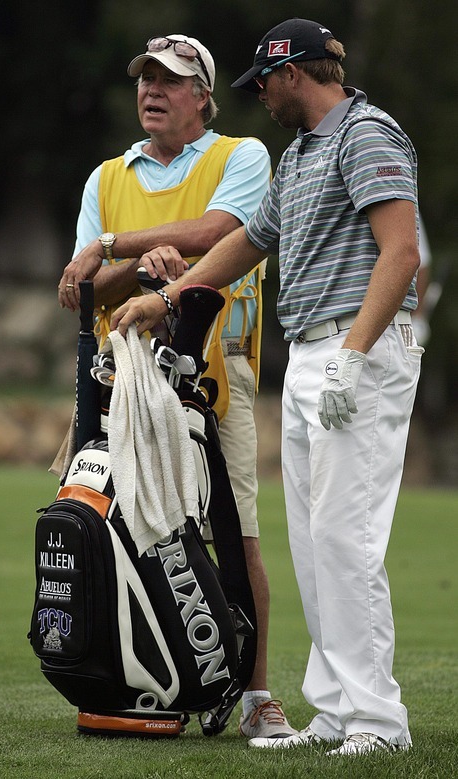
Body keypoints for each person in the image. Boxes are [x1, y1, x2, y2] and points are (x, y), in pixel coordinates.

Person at [110, 18, 424, 757]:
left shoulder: (367, 134)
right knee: (315, 542)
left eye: (264, 84)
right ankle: (341, 710)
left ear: (293, 73)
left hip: (360, 349)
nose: (261, 99)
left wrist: (353, 353)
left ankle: (381, 720)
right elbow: (249, 241)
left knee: (348, 538)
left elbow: (402, 252)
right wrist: (169, 295)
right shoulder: (304, 152)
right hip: (314, 353)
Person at [58, 34, 295, 741]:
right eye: (145, 78)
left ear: (203, 96)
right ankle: (130, 675)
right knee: (119, 530)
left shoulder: (242, 155)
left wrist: (118, 246)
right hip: (121, 376)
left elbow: (224, 230)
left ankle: (254, 692)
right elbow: (82, 288)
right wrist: (139, 266)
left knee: (234, 529)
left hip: (217, 366)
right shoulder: (106, 177)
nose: (152, 90)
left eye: (170, 80)